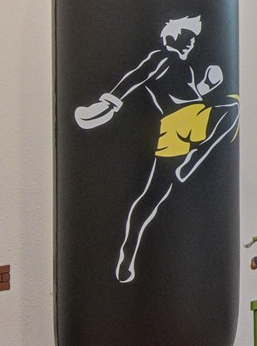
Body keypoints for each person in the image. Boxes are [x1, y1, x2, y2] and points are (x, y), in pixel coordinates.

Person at [75, 15, 239, 282]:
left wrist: (206, 85)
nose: (191, 44)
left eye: (193, 40)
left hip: (172, 133)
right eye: (187, 38)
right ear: (173, 37)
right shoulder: (163, 56)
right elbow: (136, 77)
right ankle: (194, 159)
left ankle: (127, 260)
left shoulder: (180, 67)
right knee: (232, 110)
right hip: (189, 121)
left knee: (148, 200)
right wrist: (109, 102)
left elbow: (180, 91)